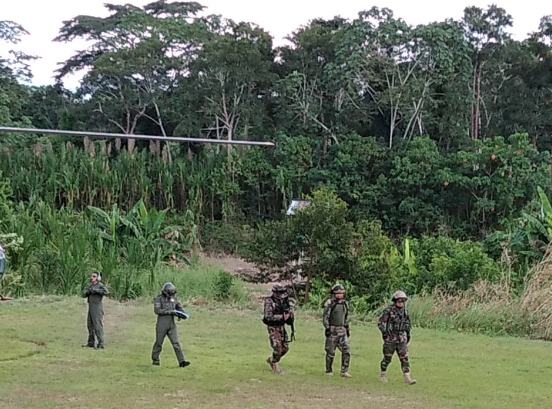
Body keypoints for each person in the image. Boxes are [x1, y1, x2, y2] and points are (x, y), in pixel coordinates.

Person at [377, 290, 416, 385]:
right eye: (399, 301)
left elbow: (407, 324)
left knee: (404, 357)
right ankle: (382, 375)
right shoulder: (388, 310)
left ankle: (407, 377)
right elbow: (381, 323)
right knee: (387, 358)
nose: (401, 303)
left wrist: (408, 334)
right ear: (395, 301)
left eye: (403, 301)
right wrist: (385, 333)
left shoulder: (405, 311)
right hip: (391, 337)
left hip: (402, 337)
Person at [151, 282, 190, 367]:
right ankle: (155, 360)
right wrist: (170, 311)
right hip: (162, 325)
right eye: (170, 294)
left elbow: (179, 307)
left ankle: (182, 361)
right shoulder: (158, 299)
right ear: (166, 292)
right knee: (159, 343)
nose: (172, 295)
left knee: (176, 343)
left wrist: (182, 314)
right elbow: (157, 311)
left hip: (171, 325)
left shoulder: (174, 298)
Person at [263, 284, 294, 374]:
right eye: (278, 292)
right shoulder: (269, 301)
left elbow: (289, 312)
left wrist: (290, 313)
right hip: (273, 327)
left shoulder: (284, 301)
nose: (280, 294)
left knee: (285, 348)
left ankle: (272, 359)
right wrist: (282, 317)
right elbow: (268, 316)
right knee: (277, 348)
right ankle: (275, 364)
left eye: (281, 292)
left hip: (281, 327)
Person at [322, 284, 351, 378]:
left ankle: (344, 371)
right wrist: (327, 328)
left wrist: (347, 328)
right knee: (330, 352)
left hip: (342, 330)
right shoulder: (330, 303)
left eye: (341, 293)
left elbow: (346, 316)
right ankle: (328, 370)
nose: (339, 295)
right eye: (337, 293)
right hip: (332, 330)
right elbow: (325, 317)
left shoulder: (345, 303)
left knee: (346, 350)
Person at [82, 271, 108, 349]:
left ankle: (101, 343)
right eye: (92, 276)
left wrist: (96, 291)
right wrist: (88, 292)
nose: (92, 278)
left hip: (97, 308)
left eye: (94, 276)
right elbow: (83, 294)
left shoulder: (100, 286)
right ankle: (91, 342)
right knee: (90, 325)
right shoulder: (90, 286)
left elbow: (106, 292)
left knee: (97, 326)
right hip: (91, 307)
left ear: (98, 278)